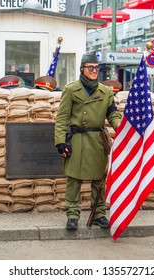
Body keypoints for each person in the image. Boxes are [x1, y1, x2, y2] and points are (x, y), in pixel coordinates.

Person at [54, 52, 121, 230]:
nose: (93, 71)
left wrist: (120, 127)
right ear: (82, 69)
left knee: (98, 179)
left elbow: (112, 113)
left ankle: (99, 214)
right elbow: (62, 118)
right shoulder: (71, 89)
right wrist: (60, 141)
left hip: (97, 141)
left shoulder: (105, 91)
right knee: (74, 180)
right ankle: (72, 215)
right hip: (76, 139)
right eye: (90, 67)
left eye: (96, 68)